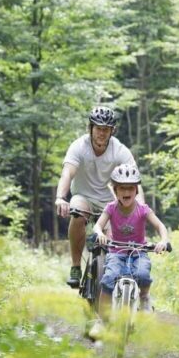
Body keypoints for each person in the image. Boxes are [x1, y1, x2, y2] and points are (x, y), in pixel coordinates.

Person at [55, 106, 143, 288]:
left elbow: (135, 182)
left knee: (114, 240)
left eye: (106, 129)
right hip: (83, 196)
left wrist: (140, 209)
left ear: (112, 131)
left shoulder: (120, 150)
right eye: (98, 128)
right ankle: (75, 266)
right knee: (77, 212)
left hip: (110, 202)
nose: (102, 133)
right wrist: (60, 197)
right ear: (91, 128)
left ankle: (110, 284)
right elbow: (67, 174)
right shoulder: (79, 146)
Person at [89, 164, 169, 338]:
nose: (127, 192)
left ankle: (145, 299)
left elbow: (160, 226)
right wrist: (99, 233)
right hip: (117, 252)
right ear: (116, 190)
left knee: (143, 274)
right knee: (108, 279)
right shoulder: (111, 208)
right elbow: (97, 225)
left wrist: (163, 240)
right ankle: (101, 321)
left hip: (139, 252)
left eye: (131, 188)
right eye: (122, 188)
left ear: (136, 191)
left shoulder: (143, 210)